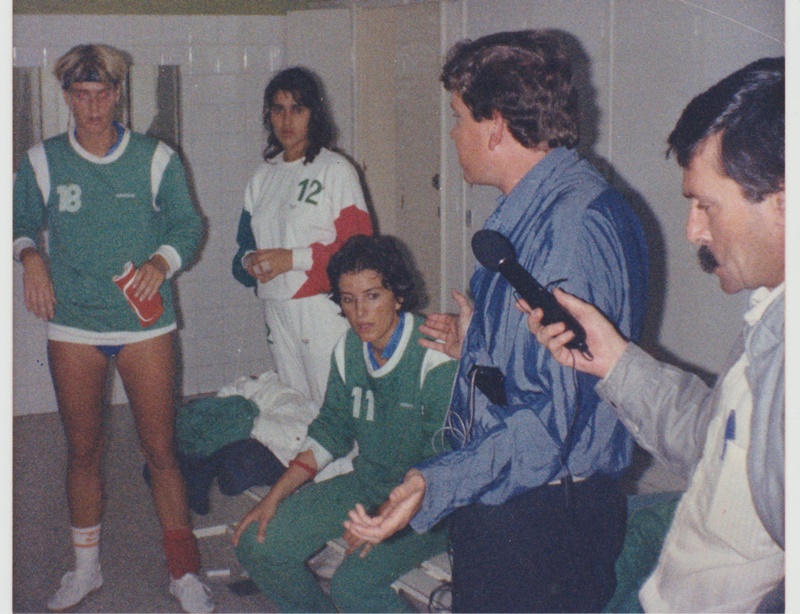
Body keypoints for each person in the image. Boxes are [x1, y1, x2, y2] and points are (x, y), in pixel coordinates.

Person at [345, 30, 649, 612]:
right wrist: (479, 347)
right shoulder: (541, 208)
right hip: (521, 493)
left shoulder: (570, 229)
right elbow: (556, 371)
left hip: (543, 516)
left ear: (496, 127)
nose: (453, 134)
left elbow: (551, 421)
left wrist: (437, 480)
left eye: (458, 117)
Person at [522, 57, 785, 612]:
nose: (693, 230)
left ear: (784, 200)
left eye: (706, 205)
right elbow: (715, 439)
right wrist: (614, 360)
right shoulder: (771, 315)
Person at [12, 45, 212, 612]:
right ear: (67, 97)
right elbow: (19, 219)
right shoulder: (43, 159)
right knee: (82, 450)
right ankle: (85, 569)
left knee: (161, 449)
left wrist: (162, 262)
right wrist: (30, 256)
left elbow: (188, 224)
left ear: (118, 94)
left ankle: (183, 572)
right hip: (75, 324)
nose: (93, 107)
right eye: (82, 95)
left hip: (144, 323)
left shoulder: (155, 156)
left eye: (103, 94)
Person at [232, 234, 457, 612]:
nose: (360, 312)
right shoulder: (349, 349)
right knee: (258, 542)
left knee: (352, 587)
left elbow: (445, 463)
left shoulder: (434, 356)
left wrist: (385, 515)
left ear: (398, 296)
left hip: (431, 504)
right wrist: (274, 497)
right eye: (349, 300)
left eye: (373, 296)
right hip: (368, 485)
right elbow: (330, 431)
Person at [232, 66, 373, 405]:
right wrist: (250, 262)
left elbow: (359, 251)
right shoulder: (263, 176)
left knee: (333, 405)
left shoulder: (335, 170)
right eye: (278, 109)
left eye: (297, 109)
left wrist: (291, 259)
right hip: (275, 307)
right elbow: (242, 250)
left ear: (314, 114)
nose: (286, 120)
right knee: (294, 406)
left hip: (321, 308)